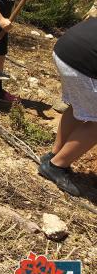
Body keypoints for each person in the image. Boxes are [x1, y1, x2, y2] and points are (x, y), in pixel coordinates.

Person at [38, 13, 97, 197]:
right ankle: (56, 166)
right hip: (85, 62)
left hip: (65, 49)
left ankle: (53, 155)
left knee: (77, 106)